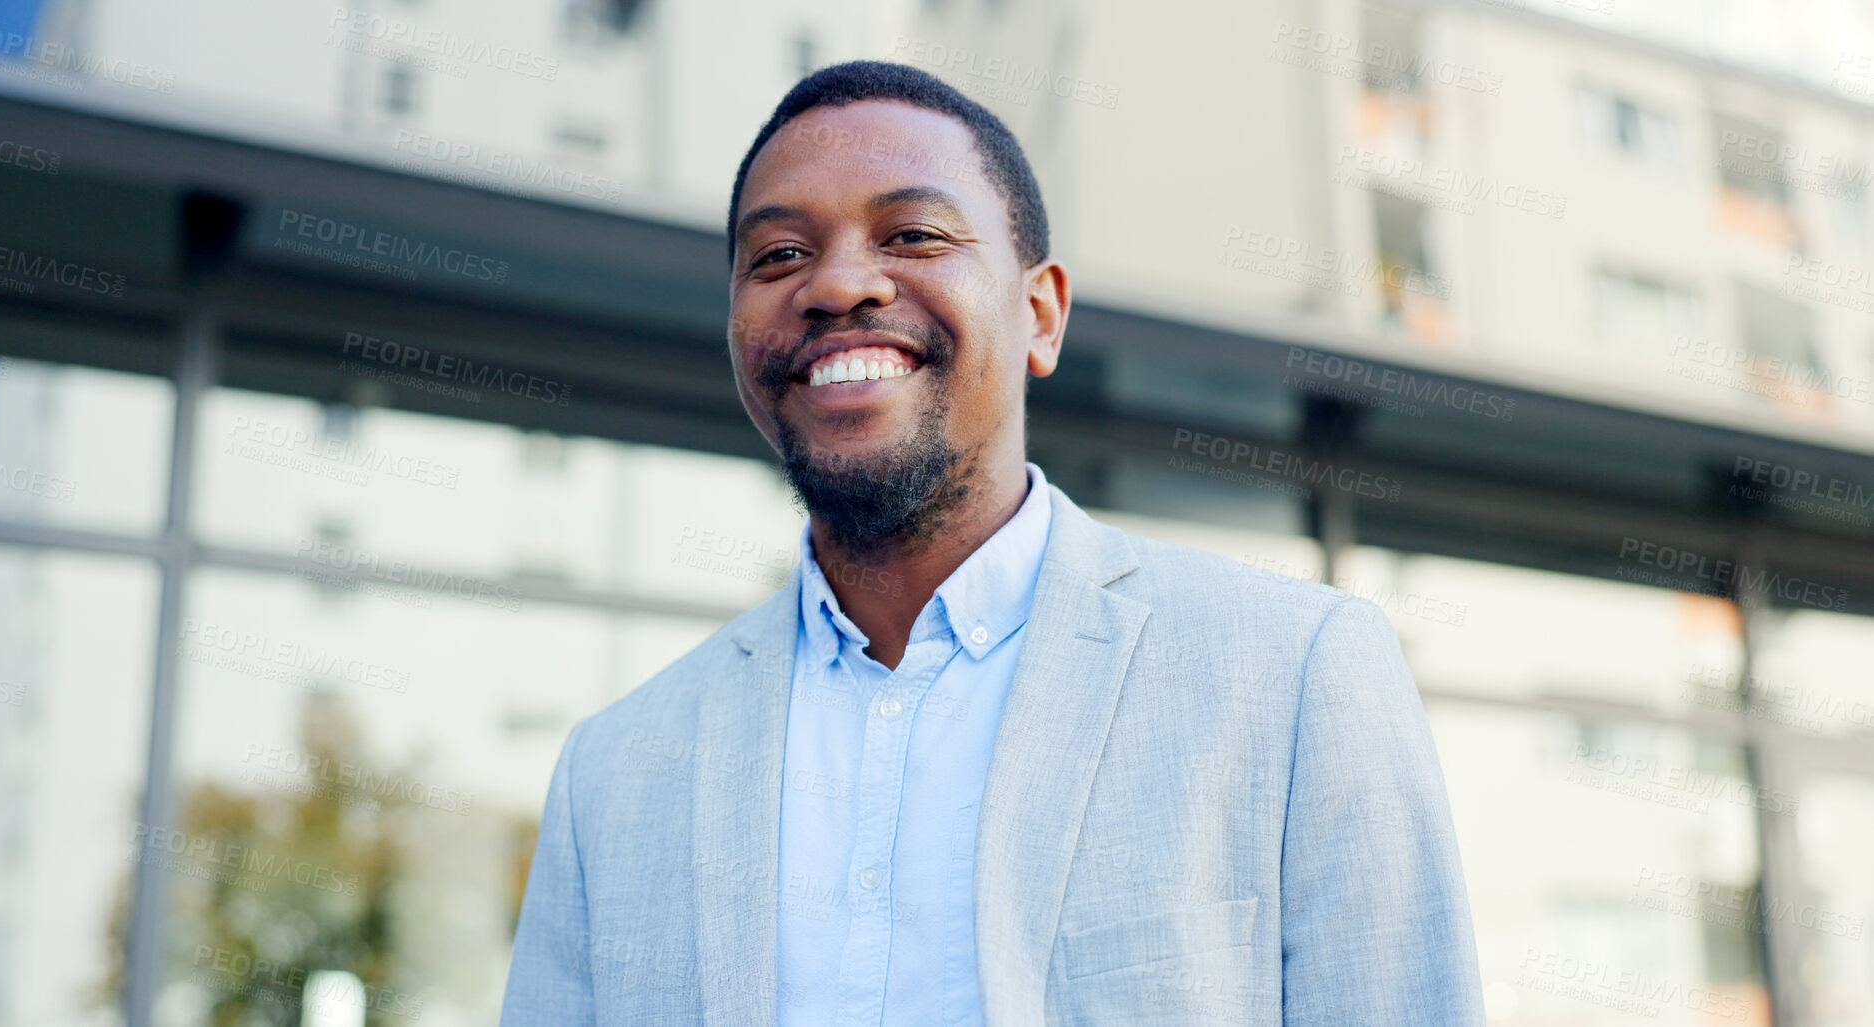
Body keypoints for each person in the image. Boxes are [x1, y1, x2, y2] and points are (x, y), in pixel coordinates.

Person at [500, 59, 1482, 1025]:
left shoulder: (1296, 676)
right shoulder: (615, 776)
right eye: (779, 255)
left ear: (1041, 314)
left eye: (914, 233)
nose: (839, 283)